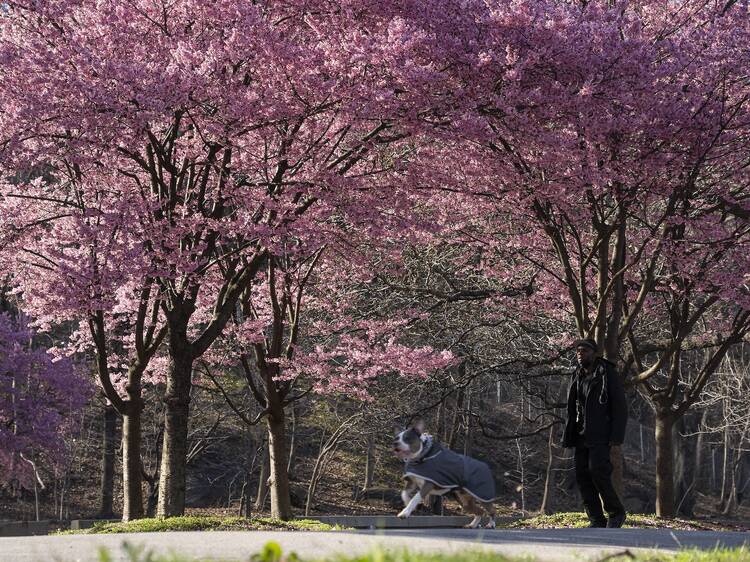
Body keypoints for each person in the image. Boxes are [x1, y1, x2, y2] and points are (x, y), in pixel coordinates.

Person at [562, 338, 628, 528]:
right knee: (582, 476)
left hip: (601, 434)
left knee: (598, 472)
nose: (580, 354)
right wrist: (569, 435)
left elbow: (620, 407)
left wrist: (616, 437)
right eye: (578, 351)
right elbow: (571, 408)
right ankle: (596, 518)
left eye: (585, 350)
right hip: (580, 433)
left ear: (594, 353)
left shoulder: (607, 373)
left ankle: (616, 512)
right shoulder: (577, 374)